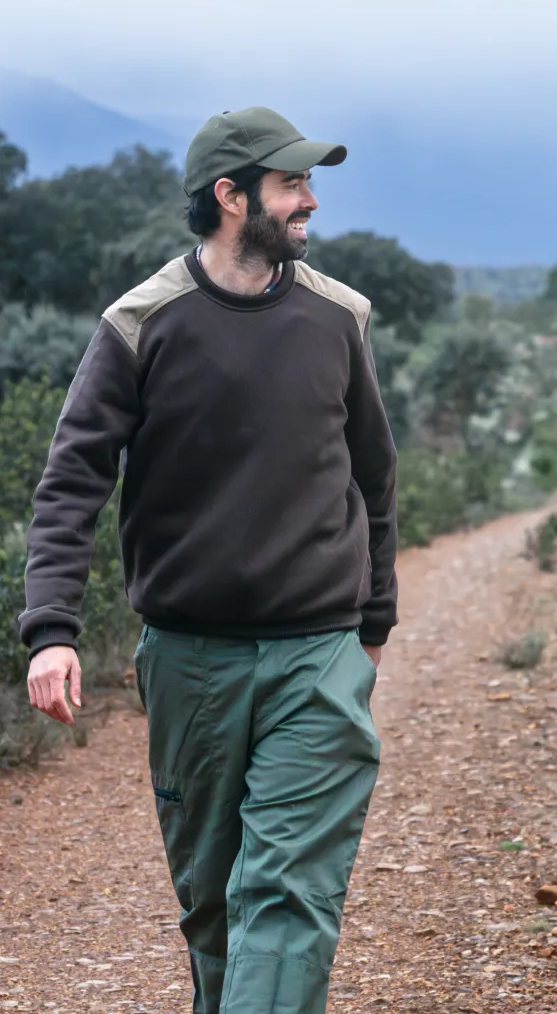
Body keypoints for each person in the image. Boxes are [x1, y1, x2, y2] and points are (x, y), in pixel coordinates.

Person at [22, 106, 399, 1013]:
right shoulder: (142, 323)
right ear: (232, 197)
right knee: (214, 903)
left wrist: (372, 623)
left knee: (289, 890)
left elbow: (374, 477)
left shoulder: (338, 317)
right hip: (189, 658)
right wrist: (51, 630)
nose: (310, 201)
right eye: (291, 184)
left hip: (317, 650)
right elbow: (72, 481)